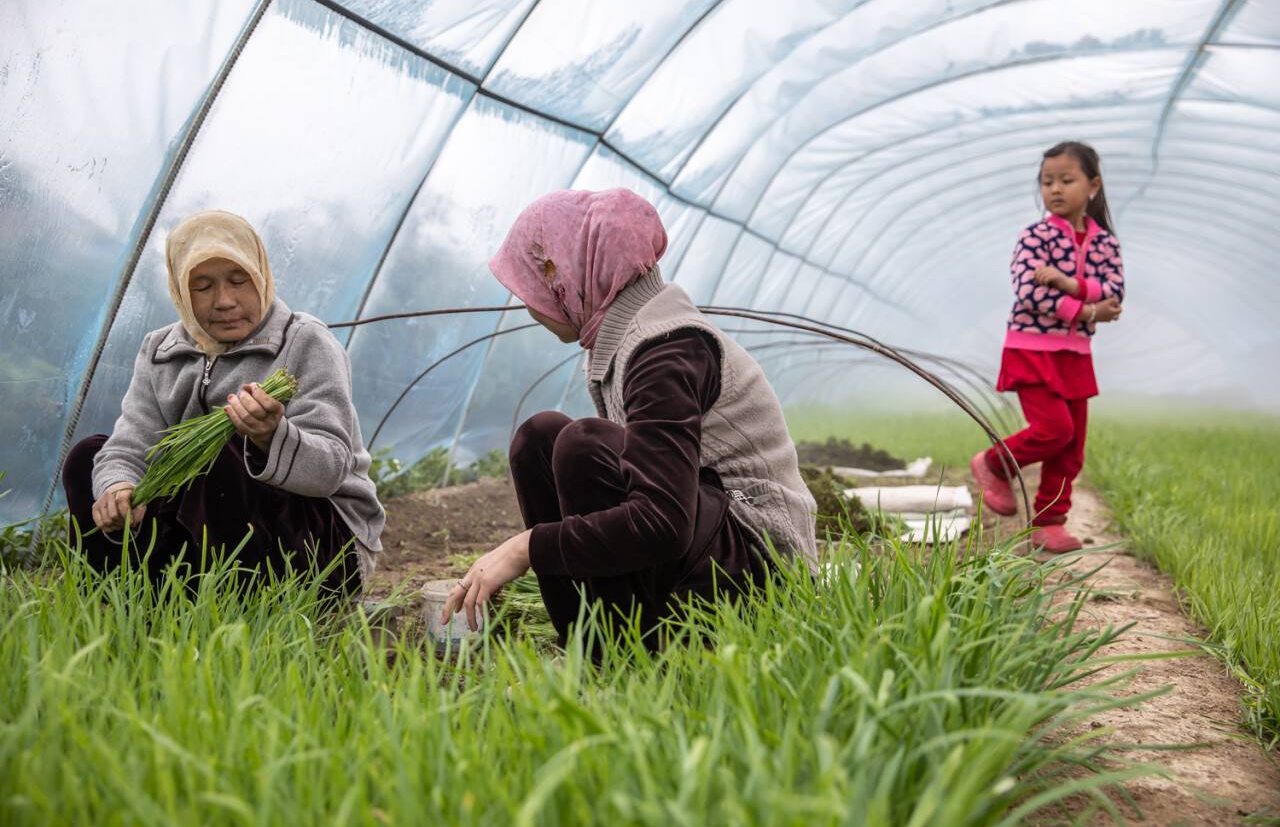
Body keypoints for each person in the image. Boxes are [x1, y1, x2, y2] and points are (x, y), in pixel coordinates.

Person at [442, 188, 817, 650]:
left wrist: (526, 548)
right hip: (713, 537)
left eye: (533, 285)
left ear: (568, 274)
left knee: (583, 446)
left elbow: (662, 521)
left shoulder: (666, 349)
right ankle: (586, 647)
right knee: (541, 439)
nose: (528, 304)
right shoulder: (622, 336)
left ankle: (623, 658)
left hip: (762, 564)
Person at [62, 210, 383, 595]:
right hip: (199, 536)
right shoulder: (161, 351)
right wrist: (117, 488)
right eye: (202, 286)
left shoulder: (305, 343)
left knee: (225, 453)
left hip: (321, 547)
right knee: (87, 458)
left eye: (238, 280)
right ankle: (118, 596)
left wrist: (270, 436)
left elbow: (331, 467)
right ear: (180, 290)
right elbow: (130, 445)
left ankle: (224, 603)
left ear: (260, 276)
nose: (225, 301)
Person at [971, 141, 1125, 553]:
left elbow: (1114, 292)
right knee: (1054, 430)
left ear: (1093, 185)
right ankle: (993, 463)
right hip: (1031, 350)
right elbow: (1027, 293)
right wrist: (1088, 311)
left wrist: (1070, 284)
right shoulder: (1035, 237)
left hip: (1074, 356)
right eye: (1046, 182)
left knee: (1072, 449)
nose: (1054, 189)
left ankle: (1049, 522)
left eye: (1066, 180)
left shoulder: (1105, 243)